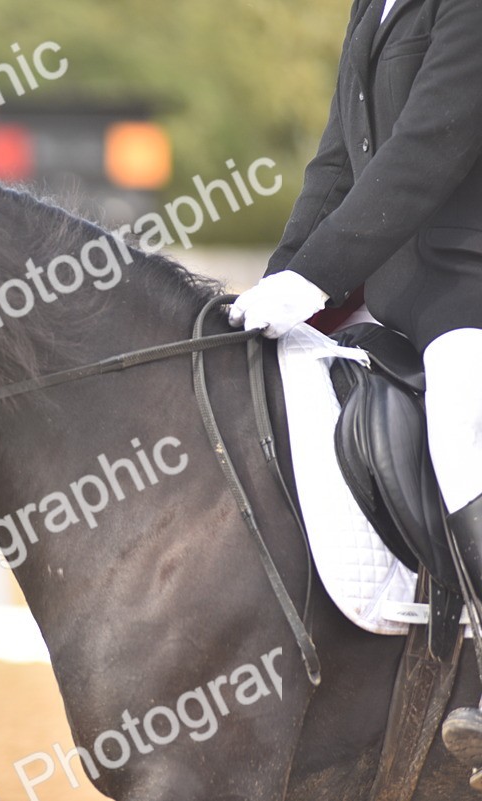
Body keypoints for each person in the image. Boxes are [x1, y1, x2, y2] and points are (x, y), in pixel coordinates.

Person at [226, 0, 482, 788]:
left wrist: (316, 275)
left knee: (462, 421)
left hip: (469, 285)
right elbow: (340, 163)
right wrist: (281, 279)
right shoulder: (371, 6)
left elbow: (425, 148)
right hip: (396, 287)